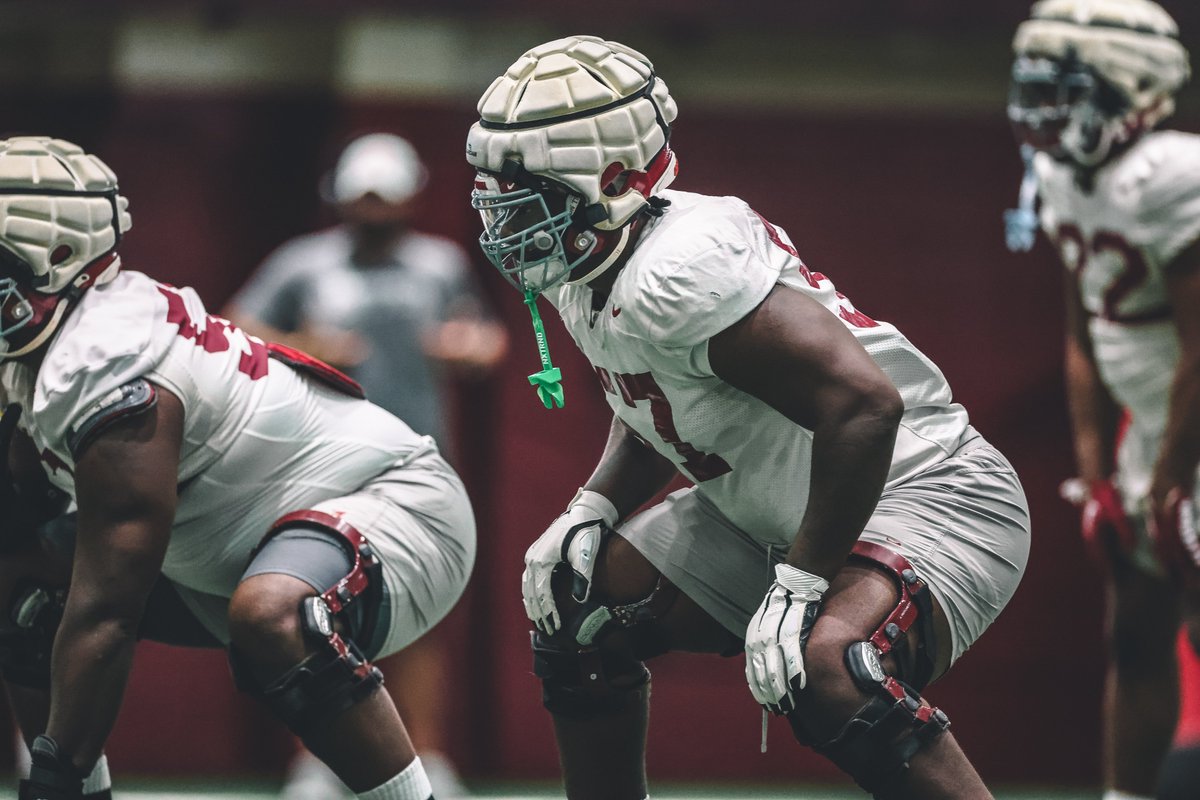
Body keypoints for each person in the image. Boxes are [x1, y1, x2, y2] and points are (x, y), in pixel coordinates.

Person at [466, 36, 1032, 800]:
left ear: (610, 180)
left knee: (832, 667)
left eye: (526, 194)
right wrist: (592, 503)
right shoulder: (590, 261)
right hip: (776, 507)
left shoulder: (677, 267)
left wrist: (802, 581)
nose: (506, 222)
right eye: (495, 194)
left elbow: (865, 407)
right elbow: (654, 403)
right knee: (576, 609)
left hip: (924, 489)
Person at [0, 135, 476, 800]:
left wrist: (53, 777)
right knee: (25, 594)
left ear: (56, 257)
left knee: (276, 613)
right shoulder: (44, 346)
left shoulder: (104, 360)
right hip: (240, 542)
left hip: (395, 503)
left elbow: (110, 607)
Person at [225, 132, 506, 800]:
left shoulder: (439, 265)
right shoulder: (304, 263)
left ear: (409, 197)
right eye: (363, 198)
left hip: (416, 463)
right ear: (341, 199)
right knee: (305, 609)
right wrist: (306, 345)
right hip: (320, 463)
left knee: (418, 612)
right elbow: (235, 328)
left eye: (385, 197)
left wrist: (468, 346)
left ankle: (426, 754)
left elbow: (486, 338)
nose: (374, 210)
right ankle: (317, 759)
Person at [1004, 1, 1200, 798]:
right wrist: (1098, 471)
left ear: (1135, 89)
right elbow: (1084, 330)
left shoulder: (1173, 173)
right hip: (1153, 436)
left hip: (1184, 438)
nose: (1048, 113)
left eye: (1070, 90)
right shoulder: (1063, 175)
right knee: (1138, 633)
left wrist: (1170, 473)